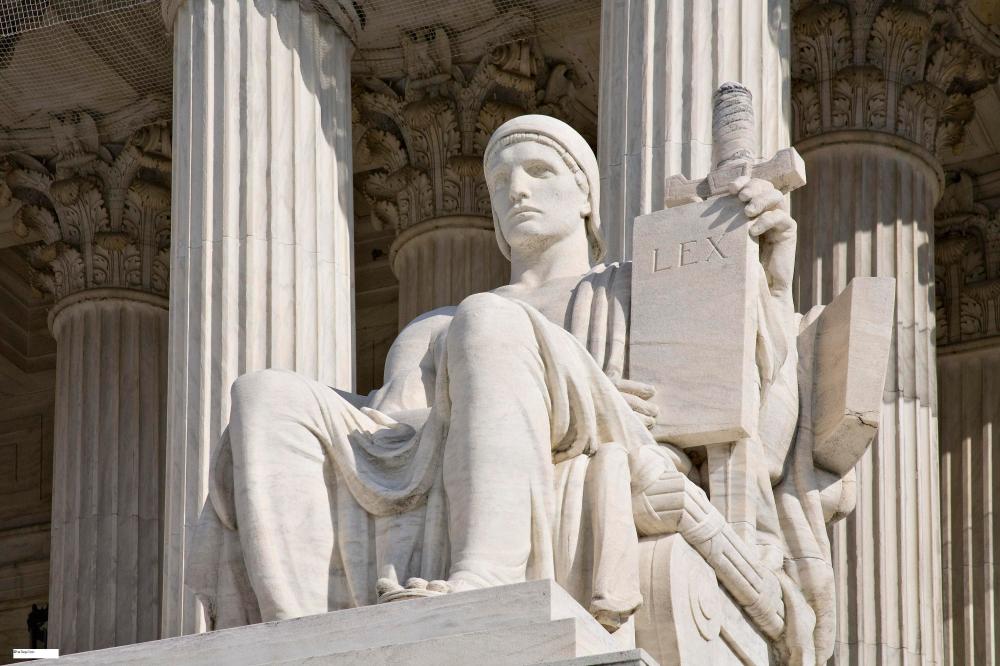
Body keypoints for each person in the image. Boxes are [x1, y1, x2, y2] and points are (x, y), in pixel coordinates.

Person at [188, 115, 800, 639]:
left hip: (614, 434)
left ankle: (489, 575)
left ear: (586, 194)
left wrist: (767, 278)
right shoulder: (434, 328)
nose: (517, 191)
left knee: (487, 320)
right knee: (261, 393)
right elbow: (396, 429)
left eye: (539, 172)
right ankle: (298, 630)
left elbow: (746, 388)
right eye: (500, 182)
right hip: (443, 442)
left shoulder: (630, 288)